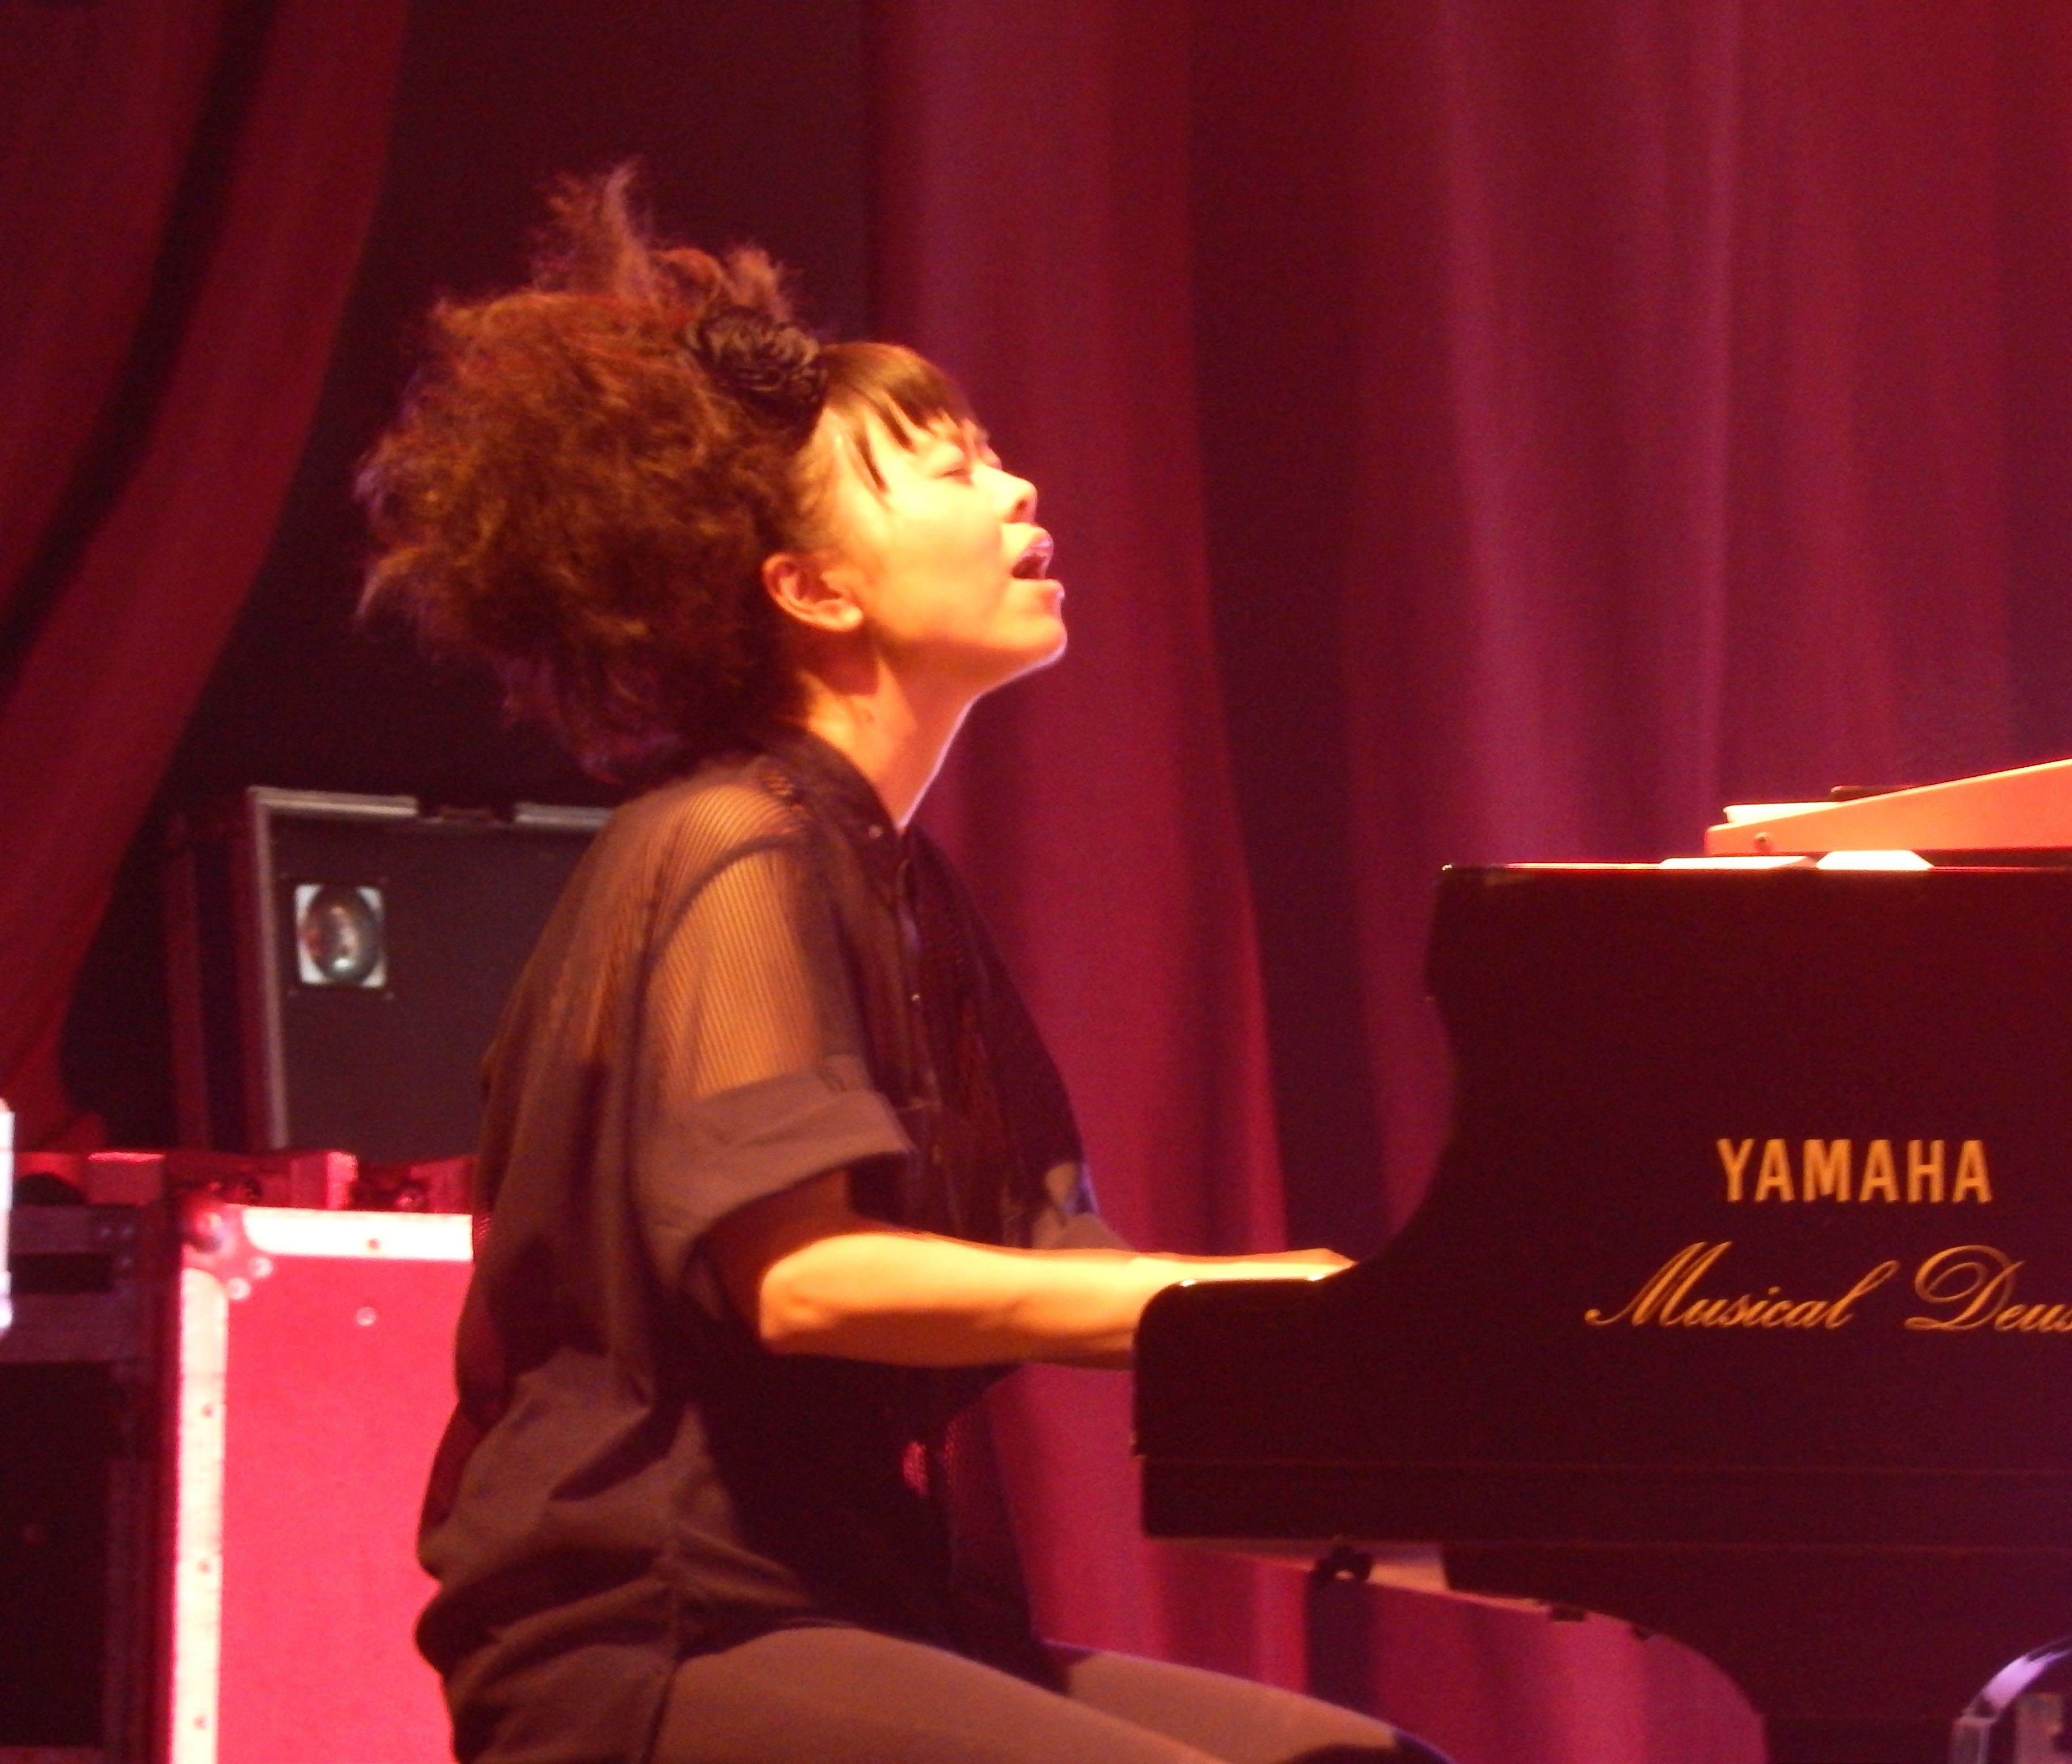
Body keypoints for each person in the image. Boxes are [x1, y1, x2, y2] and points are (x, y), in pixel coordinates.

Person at [357, 167, 1446, 1764]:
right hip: (665, 1633)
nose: (1014, 489)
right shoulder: (733, 844)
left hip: (857, 1608)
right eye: (948, 470)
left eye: (992, 455)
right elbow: (803, 1283)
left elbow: (1059, 1265)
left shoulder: (892, 882)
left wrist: (1406, 1343)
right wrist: (1227, 1295)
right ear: (813, 588)